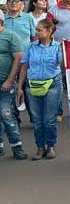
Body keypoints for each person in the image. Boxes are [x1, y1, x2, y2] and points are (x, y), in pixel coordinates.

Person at [17, 18, 63, 160]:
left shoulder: (57, 47)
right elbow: (24, 66)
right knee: (37, 119)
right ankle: (40, 147)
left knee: (49, 119)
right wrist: (20, 87)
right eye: (36, 30)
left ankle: (50, 146)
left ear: (49, 32)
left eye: (39, 30)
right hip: (33, 84)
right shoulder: (31, 47)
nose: (36, 32)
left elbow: (63, 65)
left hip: (52, 84)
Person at [0, 13, 27, 159]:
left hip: (4, 83)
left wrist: (10, 81)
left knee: (7, 115)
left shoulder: (11, 36)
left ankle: (17, 146)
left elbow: (19, 58)